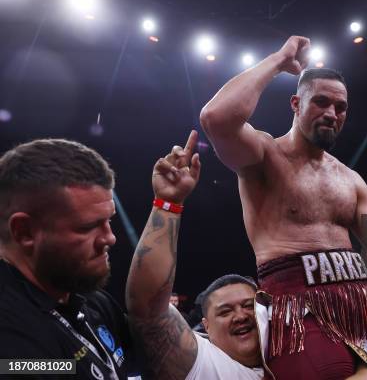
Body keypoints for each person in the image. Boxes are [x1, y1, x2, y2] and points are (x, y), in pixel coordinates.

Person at [200, 35, 367, 378]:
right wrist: (278, 60)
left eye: (340, 107)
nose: (331, 113)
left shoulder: (350, 179)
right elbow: (216, 117)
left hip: (364, 297)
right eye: (321, 102)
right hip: (297, 305)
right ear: (296, 103)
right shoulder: (264, 156)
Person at [125, 131, 270, 379]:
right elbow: (148, 308)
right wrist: (168, 203)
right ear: (206, 327)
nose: (241, 316)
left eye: (249, 306)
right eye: (225, 311)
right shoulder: (204, 363)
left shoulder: (298, 352)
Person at [0, 139, 135, 379]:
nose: (110, 238)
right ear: (25, 232)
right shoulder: (10, 336)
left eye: (109, 220)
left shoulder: (86, 295)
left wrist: (168, 205)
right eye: (87, 227)